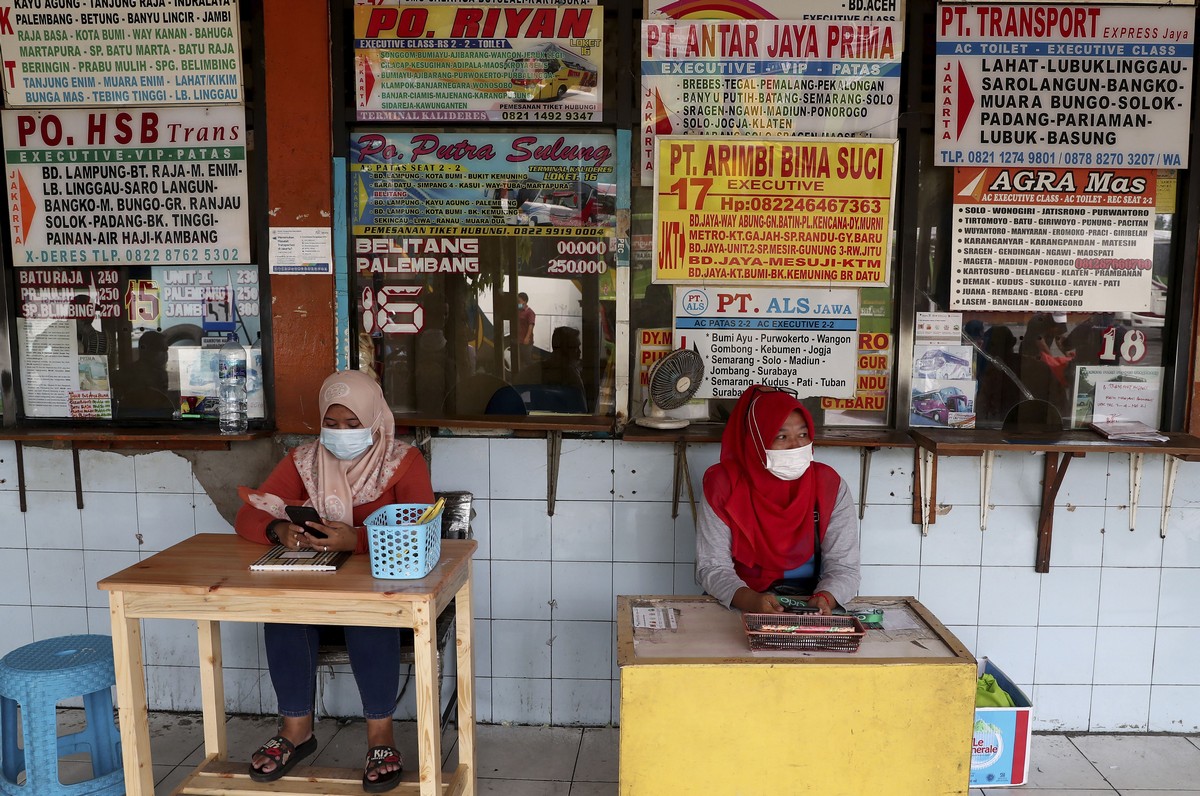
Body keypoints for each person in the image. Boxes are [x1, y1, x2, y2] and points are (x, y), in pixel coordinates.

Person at [235, 369, 434, 792]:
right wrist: (279, 532)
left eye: (352, 424)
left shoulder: (402, 462)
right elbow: (250, 513)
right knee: (283, 610)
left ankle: (381, 736)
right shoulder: (304, 461)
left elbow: (419, 529)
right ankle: (296, 729)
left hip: (382, 599)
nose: (340, 433)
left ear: (374, 419)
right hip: (316, 591)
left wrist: (356, 539)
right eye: (331, 423)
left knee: (365, 612)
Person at [696, 384, 860, 615]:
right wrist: (749, 600)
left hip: (810, 605)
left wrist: (826, 598)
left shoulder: (829, 485)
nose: (796, 446)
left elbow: (845, 567)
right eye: (781, 436)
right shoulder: (724, 485)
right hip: (737, 602)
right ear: (756, 440)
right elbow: (711, 567)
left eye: (803, 434)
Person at [516, 291, 535, 368]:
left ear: (525, 301)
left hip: (526, 342)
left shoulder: (530, 313)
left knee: (527, 360)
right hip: (518, 340)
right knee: (519, 361)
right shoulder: (518, 311)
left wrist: (527, 338)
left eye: (519, 301)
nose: (518, 303)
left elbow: (531, 325)